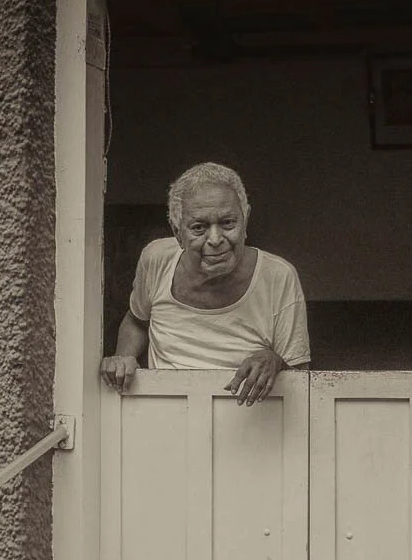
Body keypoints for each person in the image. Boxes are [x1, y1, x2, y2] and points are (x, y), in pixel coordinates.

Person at [100, 162, 309, 405]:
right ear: (177, 232)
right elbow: (137, 321)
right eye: (199, 227)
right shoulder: (156, 258)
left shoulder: (278, 276)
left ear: (246, 220)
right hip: (163, 414)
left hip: (250, 420)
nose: (216, 239)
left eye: (228, 223)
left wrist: (275, 361)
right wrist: (122, 357)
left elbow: (301, 377)